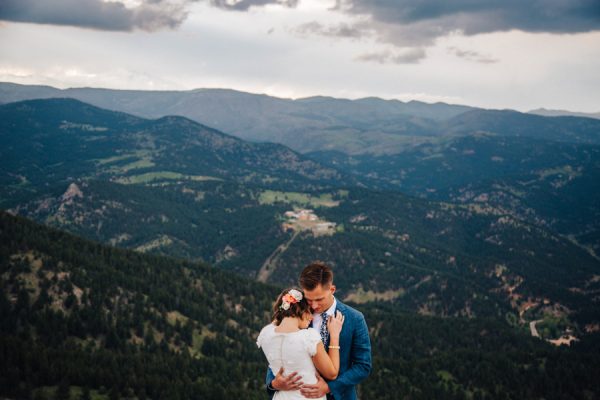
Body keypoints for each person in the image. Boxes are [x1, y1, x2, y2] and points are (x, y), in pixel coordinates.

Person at [265, 262, 372, 400]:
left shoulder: (355, 319)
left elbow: (363, 366)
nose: (314, 306)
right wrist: (273, 383)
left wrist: (329, 387)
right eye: (309, 300)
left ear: (332, 290)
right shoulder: (296, 314)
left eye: (319, 299)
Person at [257, 287, 345, 400]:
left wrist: (287, 308)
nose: (311, 317)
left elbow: (277, 321)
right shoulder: (308, 337)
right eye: (309, 311)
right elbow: (332, 374)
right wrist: (334, 335)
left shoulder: (266, 334)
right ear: (300, 309)